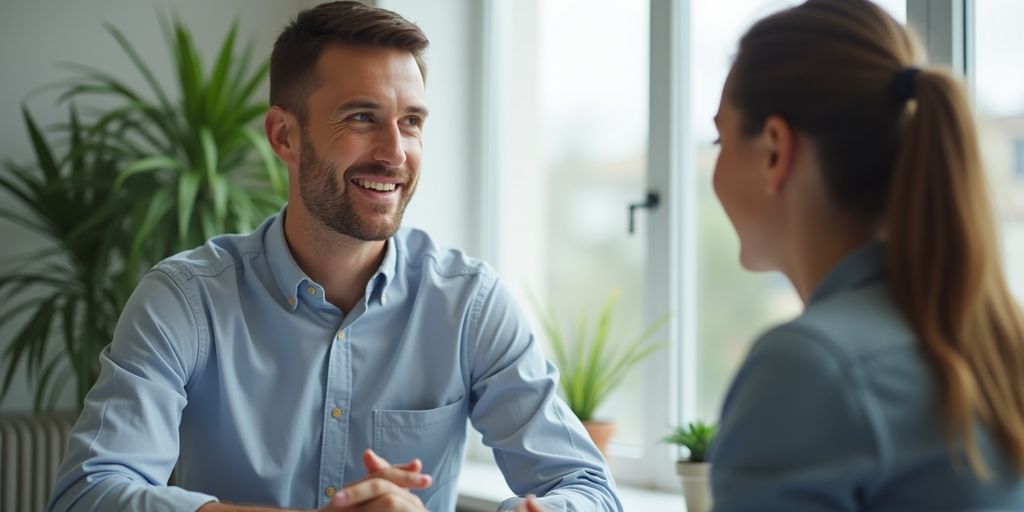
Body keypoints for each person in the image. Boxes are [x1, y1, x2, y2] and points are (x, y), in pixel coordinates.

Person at [47, 2, 621, 511]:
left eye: (412, 122)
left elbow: (588, 489)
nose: (395, 153)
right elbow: (89, 492)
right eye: (362, 118)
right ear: (284, 137)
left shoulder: (469, 303)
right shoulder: (186, 299)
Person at [706, 0, 1024, 509]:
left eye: (718, 139)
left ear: (774, 150)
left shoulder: (810, 368)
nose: (713, 169)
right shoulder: (992, 342)